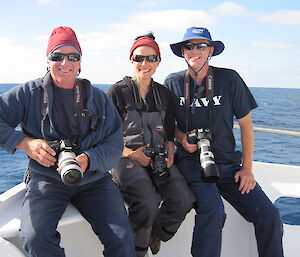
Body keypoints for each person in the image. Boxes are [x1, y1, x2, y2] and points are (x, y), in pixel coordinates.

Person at [0, 26, 135, 257]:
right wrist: (24, 143)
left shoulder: (98, 98)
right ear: (47, 61)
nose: (65, 62)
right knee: (36, 238)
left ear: (80, 63)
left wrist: (88, 160)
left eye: (73, 56)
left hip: (93, 179)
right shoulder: (29, 93)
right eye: (57, 56)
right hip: (47, 178)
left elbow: (114, 143)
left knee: (122, 238)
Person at [164, 27, 284, 257]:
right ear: (182, 51)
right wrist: (182, 139)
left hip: (228, 164)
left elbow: (246, 126)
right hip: (191, 162)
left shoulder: (229, 78)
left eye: (201, 46)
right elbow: (168, 126)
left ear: (211, 51)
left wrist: (247, 168)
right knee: (213, 211)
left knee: (269, 216)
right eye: (189, 46)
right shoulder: (173, 82)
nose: (195, 50)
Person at [107, 33, 195, 257]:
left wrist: (171, 155)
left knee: (183, 198)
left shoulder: (164, 94)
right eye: (139, 58)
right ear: (131, 60)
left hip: (158, 157)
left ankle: (158, 232)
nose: (144, 64)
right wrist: (132, 154)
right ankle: (136, 251)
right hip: (124, 158)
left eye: (151, 58)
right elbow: (104, 137)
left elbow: (168, 133)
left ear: (158, 61)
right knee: (147, 200)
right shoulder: (117, 92)